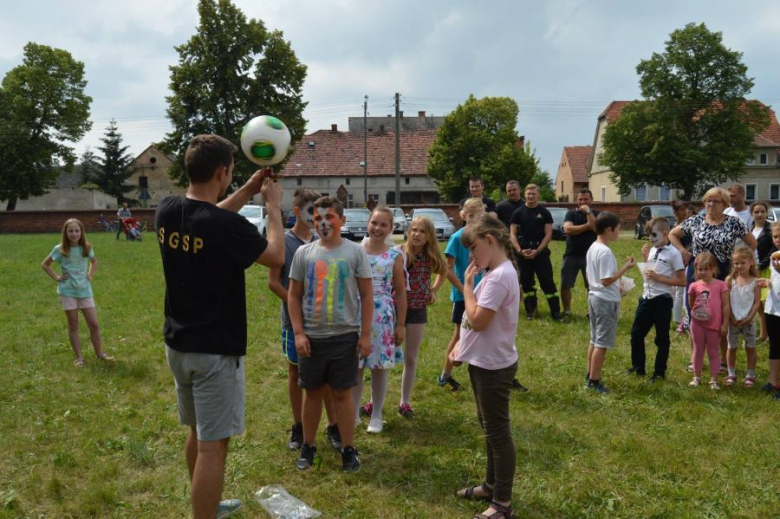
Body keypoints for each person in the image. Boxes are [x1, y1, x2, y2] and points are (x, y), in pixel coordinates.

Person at [155, 134, 284, 519]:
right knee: (213, 445)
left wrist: (246, 188)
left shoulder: (167, 209)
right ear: (221, 171)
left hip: (179, 346)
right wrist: (273, 209)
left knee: (197, 433)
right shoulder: (226, 227)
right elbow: (276, 254)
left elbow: (211, 218)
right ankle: (203, 514)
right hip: (213, 352)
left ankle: (206, 504)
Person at [287, 196, 373, 472]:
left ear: (342, 220)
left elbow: (366, 294)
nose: (323, 224)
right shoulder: (304, 254)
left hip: (344, 336)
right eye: (317, 220)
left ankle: (349, 448)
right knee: (312, 394)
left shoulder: (355, 252)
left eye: (329, 218)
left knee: (342, 395)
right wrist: (299, 333)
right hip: (312, 338)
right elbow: (293, 295)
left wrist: (365, 334)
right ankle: (308, 446)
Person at [451, 214, 520, 519]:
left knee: (498, 433)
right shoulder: (495, 272)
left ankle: (502, 503)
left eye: (474, 248)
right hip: (483, 362)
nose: (472, 256)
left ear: (490, 241)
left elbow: (478, 320)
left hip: (493, 367)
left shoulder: (501, 275)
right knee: (489, 429)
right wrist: (459, 346)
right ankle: (491, 486)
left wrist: (467, 286)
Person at [267, 188, 341, 452]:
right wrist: (296, 305)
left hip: (323, 322)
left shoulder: (322, 240)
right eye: (311, 212)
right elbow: (273, 282)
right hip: (294, 323)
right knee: (296, 372)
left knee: (328, 377)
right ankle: (298, 426)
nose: (316, 218)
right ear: (297, 212)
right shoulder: (284, 243)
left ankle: (334, 426)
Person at [669, 187, 757, 373]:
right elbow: (672, 234)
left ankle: (724, 361)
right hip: (698, 273)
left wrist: (739, 262)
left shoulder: (734, 222)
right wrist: (684, 251)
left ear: (724, 204)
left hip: (723, 274)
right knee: (696, 314)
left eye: (716, 201)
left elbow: (752, 242)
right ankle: (696, 359)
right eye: (708, 200)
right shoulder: (696, 220)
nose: (711, 204)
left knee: (721, 316)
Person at [354, 206, 407, 434]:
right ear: (368, 223)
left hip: (382, 316)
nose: (378, 228)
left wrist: (401, 325)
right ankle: (354, 412)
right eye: (374, 222)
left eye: (383, 224)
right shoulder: (355, 250)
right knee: (355, 366)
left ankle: (376, 414)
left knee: (378, 367)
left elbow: (402, 292)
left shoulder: (395, 255)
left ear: (391, 228)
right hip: (355, 313)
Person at [41, 218, 114, 367]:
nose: (74, 234)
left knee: (94, 324)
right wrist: (56, 277)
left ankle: (100, 354)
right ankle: (79, 358)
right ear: (65, 233)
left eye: (77, 231)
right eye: (70, 231)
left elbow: (94, 261)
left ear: (81, 232)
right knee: (73, 325)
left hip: (85, 290)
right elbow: (45, 264)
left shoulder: (86, 247)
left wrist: (90, 275)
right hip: (67, 291)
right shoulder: (60, 249)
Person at [396, 216, 447, 418]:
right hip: (395, 309)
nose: (417, 234)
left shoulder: (431, 255)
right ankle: (374, 400)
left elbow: (444, 271)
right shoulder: (399, 252)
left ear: (429, 236)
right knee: (385, 357)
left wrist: (433, 290)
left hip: (418, 310)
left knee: (411, 357)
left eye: (422, 231)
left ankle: (404, 402)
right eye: (414, 230)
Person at [628, 217, 685, 381]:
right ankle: (638, 367)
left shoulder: (674, 254)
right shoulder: (652, 250)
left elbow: (682, 281)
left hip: (662, 300)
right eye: (649, 235)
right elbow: (648, 275)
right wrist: (645, 259)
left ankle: (659, 372)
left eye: (654, 234)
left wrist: (660, 278)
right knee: (636, 334)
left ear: (665, 233)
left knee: (661, 338)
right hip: (647, 297)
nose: (651, 238)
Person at [585, 212, 635, 393]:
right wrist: (625, 268)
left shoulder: (593, 246)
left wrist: (618, 287)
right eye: (618, 228)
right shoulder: (605, 252)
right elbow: (606, 280)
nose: (619, 231)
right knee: (602, 343)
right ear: (608, 229)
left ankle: (589, 374)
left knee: (594, 339)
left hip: (594, 296)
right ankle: (594, 380)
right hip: (605, 300)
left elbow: (600, 278)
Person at [438, 198, 485, 392]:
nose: (474, 219)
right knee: (460, 333)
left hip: (482, 293)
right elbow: (447, 269)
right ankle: (445, 375)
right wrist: (464, 288)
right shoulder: (457, 238)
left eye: (478, 215)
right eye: (471, 215)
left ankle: (486, 373)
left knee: (485, 332)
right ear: (463, 215)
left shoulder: (483, 237)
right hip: (462, 296)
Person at [509, 183, 563, 321]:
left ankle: (556, 313)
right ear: (524, 195)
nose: (531, 196)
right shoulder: (518, 213)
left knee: (547, 282)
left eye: (533, 194)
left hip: (541, 254)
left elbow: (548, 234)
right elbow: (512, 235)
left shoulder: (545, 213)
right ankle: (531, 311)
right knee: (527, 283)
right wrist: (520, 251)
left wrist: (538, 251)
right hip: (523, 254)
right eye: (528, 194)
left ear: (538, 195)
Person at [687, 252, 729, 390]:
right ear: (696, 270)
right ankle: (697, 377)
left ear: (713, 269)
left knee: (713, 352)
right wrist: (696, 317)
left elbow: (725, 305)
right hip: (697, 325)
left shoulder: (721, 285)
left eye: (706, 269)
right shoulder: (693, 286)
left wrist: (724, 324)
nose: (703, 272)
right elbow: (691, 304)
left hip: (714, 325)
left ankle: (714, 380)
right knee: (698, 350)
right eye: (700, 269)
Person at [724, 247, 761, 387]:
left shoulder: (756, 281)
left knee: (750, 348)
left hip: (749, 320)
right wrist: (731, 318)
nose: (739, 266)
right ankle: (731, 373)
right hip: (733, 320)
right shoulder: (730, 280)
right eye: (736, 263)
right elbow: (726, 301)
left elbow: (757, 302)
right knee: (731, 347)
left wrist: (750, 317)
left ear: (751, 262)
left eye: (742, 263)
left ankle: (750, 375)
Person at [561, 189, 599, 318]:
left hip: (590, 256)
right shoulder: (571, 214)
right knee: (566, 284)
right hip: (571, 254)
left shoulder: (597, 214)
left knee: (591, 286)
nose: (582, 202)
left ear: (591, 200)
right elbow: (568, 229)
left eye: (586, 199)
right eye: (580, 199)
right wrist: (587, 226)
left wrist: (588, 212)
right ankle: (567, 311)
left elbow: (595, 228)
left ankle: (591, 312)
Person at [758, 221, 780, 400]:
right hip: (773, 308)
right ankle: (773, 381)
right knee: (775, 345)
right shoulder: (774, 256)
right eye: (776, 236)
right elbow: (774, 280)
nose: (778, 240)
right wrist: (766, 283)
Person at [751, 201, 773, 343]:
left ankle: (772, 336)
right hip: (753, 270)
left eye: (762, 211)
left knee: (767, 303)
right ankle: (763, 335)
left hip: (766, 270)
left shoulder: (770, 230)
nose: (759, 214)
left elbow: (773, 250)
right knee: (758, 303)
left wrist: (761, 265)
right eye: (756, 212)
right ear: (752, 214)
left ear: (766, 213)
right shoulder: (750, 228)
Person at [671, 201, 694, 325]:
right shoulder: (673, 228)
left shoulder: (690, 226)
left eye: (686, 209)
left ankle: (681, 318)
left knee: (682, 291)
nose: (685, 212)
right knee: (675, 291)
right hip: (675, 261)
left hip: (687, 260)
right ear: (675, 212)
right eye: (681, 209)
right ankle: (677, 319)